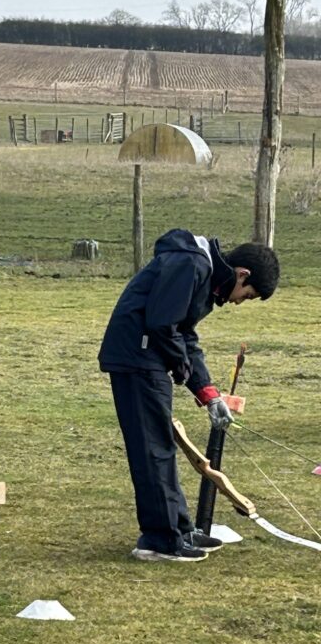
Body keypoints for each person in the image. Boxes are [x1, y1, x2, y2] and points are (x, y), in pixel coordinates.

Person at [98, 228, 279, 563]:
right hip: (136, 357)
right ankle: (159, 540)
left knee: (162, 444)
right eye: (248, 294)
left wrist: (209, 394)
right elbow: (162, 324)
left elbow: (185, 335)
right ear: (242, 275)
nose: (240, 302)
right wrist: (180, 366)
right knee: (152, 448)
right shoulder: (191, 266)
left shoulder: (202, 275)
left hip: (147, 357)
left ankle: (180, 529)